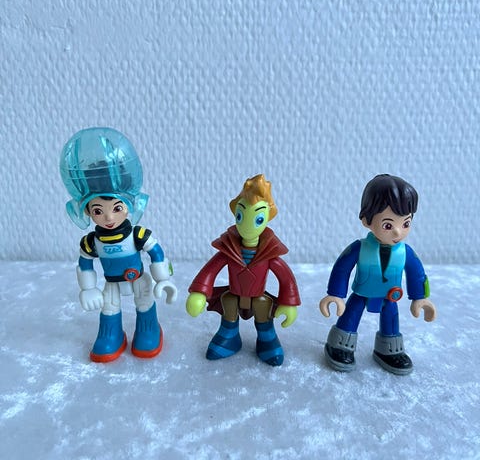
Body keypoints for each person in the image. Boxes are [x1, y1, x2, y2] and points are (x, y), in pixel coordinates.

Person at [60, 127, 176, 362]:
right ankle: (111, 335)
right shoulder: (92, 241)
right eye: (98, 211)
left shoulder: (137, 234)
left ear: (129, 205)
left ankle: (149, 329)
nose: (109, 217)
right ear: (87, 211)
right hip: (111, 282)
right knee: (109, 307)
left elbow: (155, 252)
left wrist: (163, 278)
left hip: (139, 279)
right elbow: (85, 264)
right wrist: (88, 288)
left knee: (144, 302)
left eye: (117, 208)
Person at [319, 174, 436, 375]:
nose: (398, 232)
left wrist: (420, 297)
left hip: (389, 296)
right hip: (361, 293)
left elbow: (417, 273)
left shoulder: (405, 252)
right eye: (388, 225)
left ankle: (389, 350)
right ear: (366, 220)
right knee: (351, 315)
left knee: (391, 319)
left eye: (406, 224)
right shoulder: (360, 248)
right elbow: (342, 268)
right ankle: (340, 345)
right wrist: (336, 294)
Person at [186, 174, 300, 366]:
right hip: (234, 294)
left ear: (267, 218)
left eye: (258, 219)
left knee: (263, 305)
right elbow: (210, 271)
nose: (247, 225)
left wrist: (289, 302)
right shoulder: (228, 250)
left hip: (258, 296)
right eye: (240, 216)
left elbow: (286, 277)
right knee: (228, 301)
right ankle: (228, 335)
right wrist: (199, 292)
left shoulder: (269, 253)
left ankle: (267, 338)